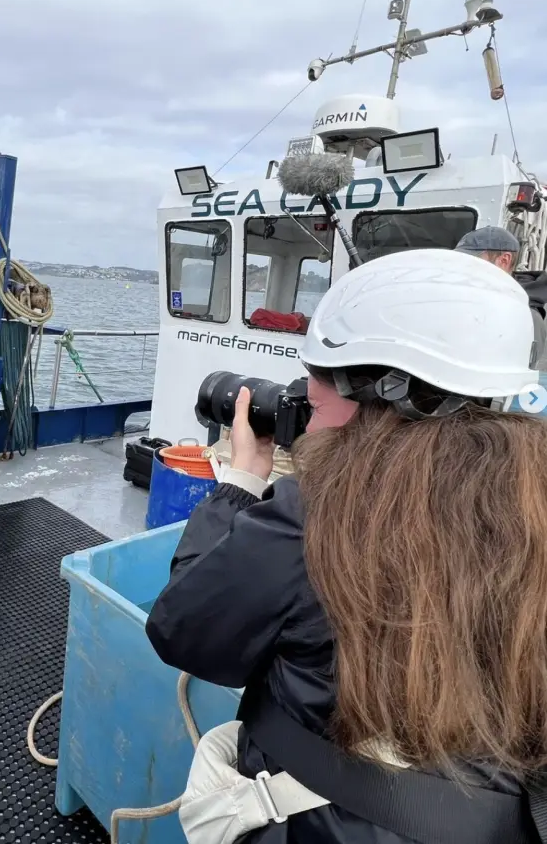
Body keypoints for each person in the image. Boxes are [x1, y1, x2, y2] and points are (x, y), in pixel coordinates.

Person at [145, 247, 547, 843]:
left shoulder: (315, 515)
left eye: (317, 374)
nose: (304, 390)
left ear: (380, 386)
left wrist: (240, 485)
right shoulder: (530, 494)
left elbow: (186, 633)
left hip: (325, 824)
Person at [454, 225, 547, 367]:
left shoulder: (527, 317)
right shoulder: (468, 298)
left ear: (504, 260)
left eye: (472, 261)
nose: (463, 267)